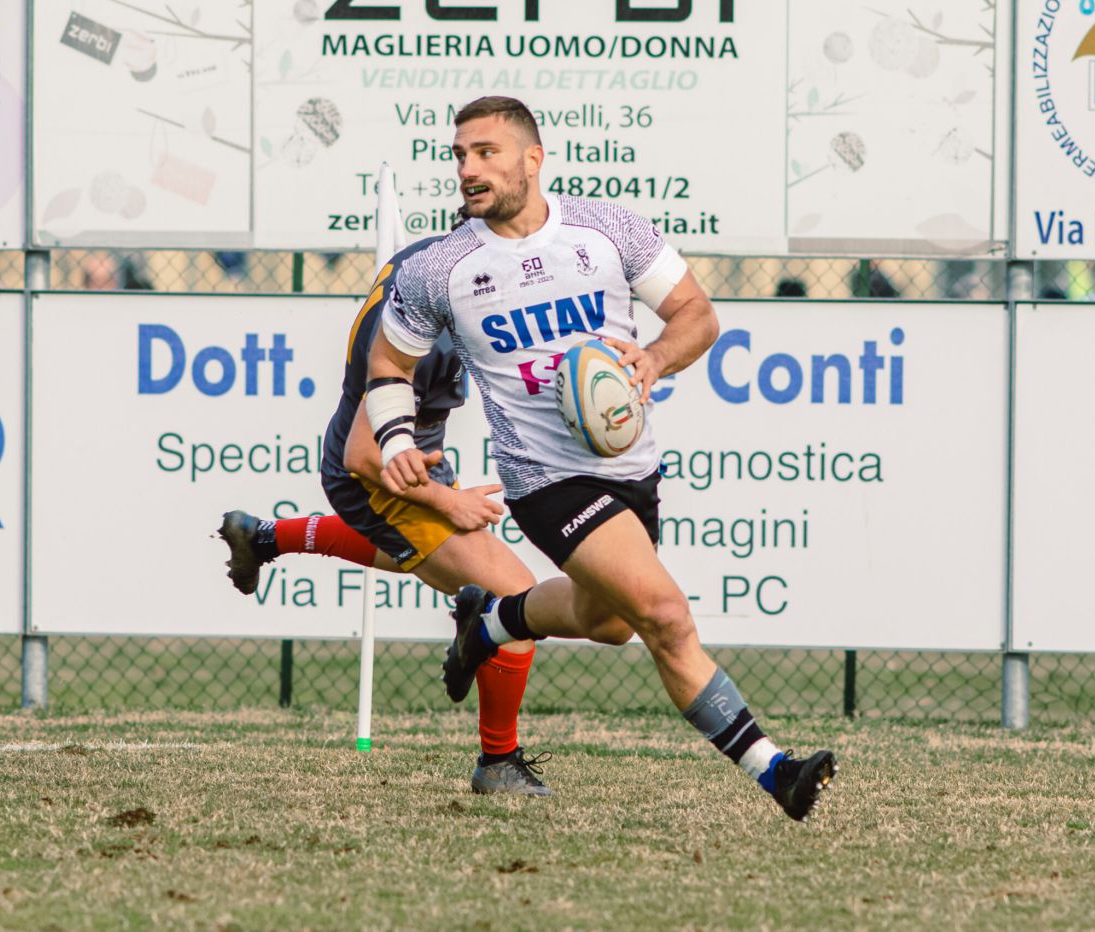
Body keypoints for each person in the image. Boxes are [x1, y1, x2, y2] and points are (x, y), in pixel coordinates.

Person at [365, 96, 835, 822]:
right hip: (545, 480)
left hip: (629, 466)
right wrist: (397, 441)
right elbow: (388, 367)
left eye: (486, 152)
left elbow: (698, 316)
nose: (468, 168)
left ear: (532, 158)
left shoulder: (607, 229)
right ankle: (776, 772)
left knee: (608, 620)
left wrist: (653, 358)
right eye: (459, 155)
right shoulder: (441, 267)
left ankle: (489, 623)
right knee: (664, 615)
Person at [217, 236, 561, 797]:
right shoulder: (433, 331)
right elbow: (365, 456)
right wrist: (449, 501)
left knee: (419, 560)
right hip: (375, 476)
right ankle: (497, 762)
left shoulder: (427, 262)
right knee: (518, 600)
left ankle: (262, 538)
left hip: (399, 462)